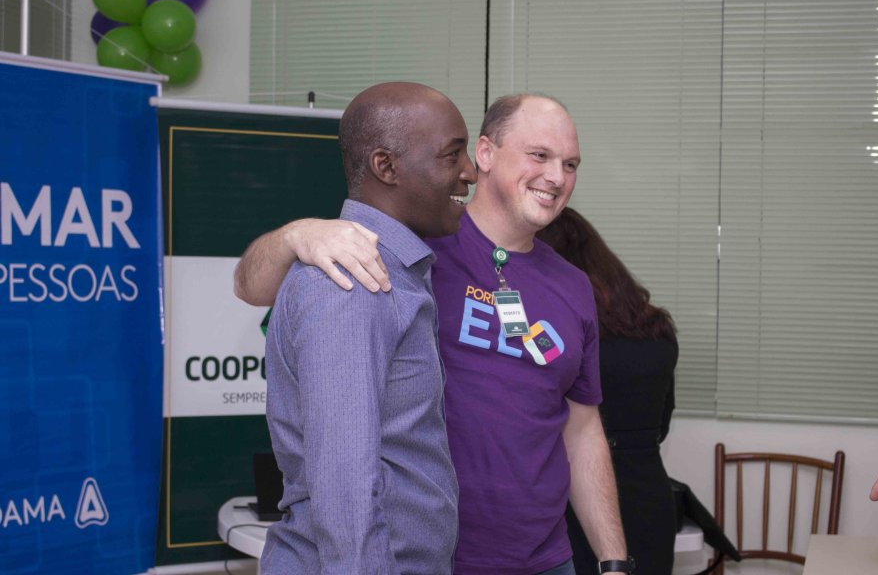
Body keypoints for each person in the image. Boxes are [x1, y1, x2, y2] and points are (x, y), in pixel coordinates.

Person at [235, 94, 631, 575]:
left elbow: (582, 427)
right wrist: (295, 235)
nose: (556, 176)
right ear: (486, 154)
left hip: (545, 558)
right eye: (539, 155)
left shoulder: (573, 286)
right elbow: (251, 286)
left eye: (570, 164)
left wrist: (613, 559)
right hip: (430, 558)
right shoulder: (404, 248)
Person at [258, 81, 475, 575]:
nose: (469, 172)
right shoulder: (353, 283)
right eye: (452, 155)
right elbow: (345, 493)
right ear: (386, 167)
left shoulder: (394, 269)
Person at [536, 207, 679, 575]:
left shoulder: (561, 335)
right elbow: (662, 423)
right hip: (648, 494)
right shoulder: (656, 329)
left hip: (575, 499)